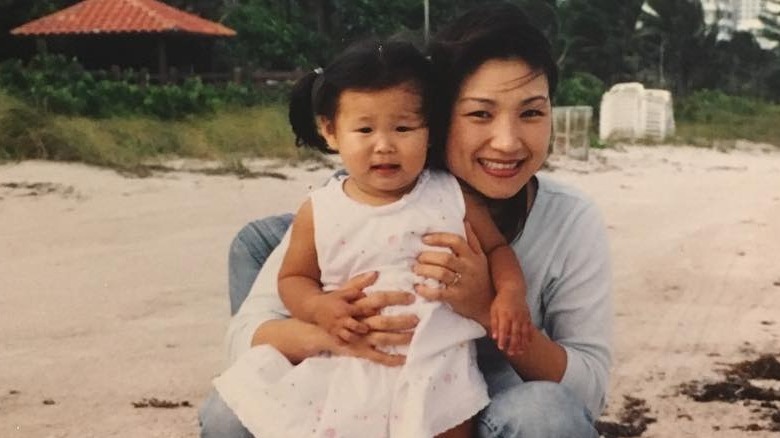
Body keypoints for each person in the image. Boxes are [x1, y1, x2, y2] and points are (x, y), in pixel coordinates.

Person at [200, 2, 612, 437]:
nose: (507, 142)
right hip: (354, 384)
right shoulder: (358, 195)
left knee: (546, 416)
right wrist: (334, 332)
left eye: (531, 112)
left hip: (468, 406)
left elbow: (586, 395)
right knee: (230, 404)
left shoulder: (569, 220)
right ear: (438, 117)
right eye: (479, 113)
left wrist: (487, 306)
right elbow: (243, 342)